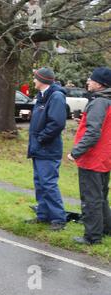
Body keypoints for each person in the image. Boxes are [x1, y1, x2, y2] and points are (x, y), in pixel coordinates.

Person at [67, 67, 111, 245]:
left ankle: (92, 237)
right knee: (101, 196)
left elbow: (93, 133)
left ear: (100, 84)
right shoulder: (107, 100)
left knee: (91, 198)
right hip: (105, 157)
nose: (88, 82)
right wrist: (83, 122)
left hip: (92, 158)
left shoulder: (99, 102)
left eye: (91, 79)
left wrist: (75, 152)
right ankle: (106, 228)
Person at [26, 67, 67, 231]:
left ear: (42, 80)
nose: (34, 80)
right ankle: (43, 215)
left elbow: (57, 123)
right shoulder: (42, 96)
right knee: (40, 183)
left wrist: (41, 139)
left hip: (48, 149)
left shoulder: (56, 96)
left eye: (35, 78)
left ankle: (58, 218)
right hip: (39, 148)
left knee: (48, 183)